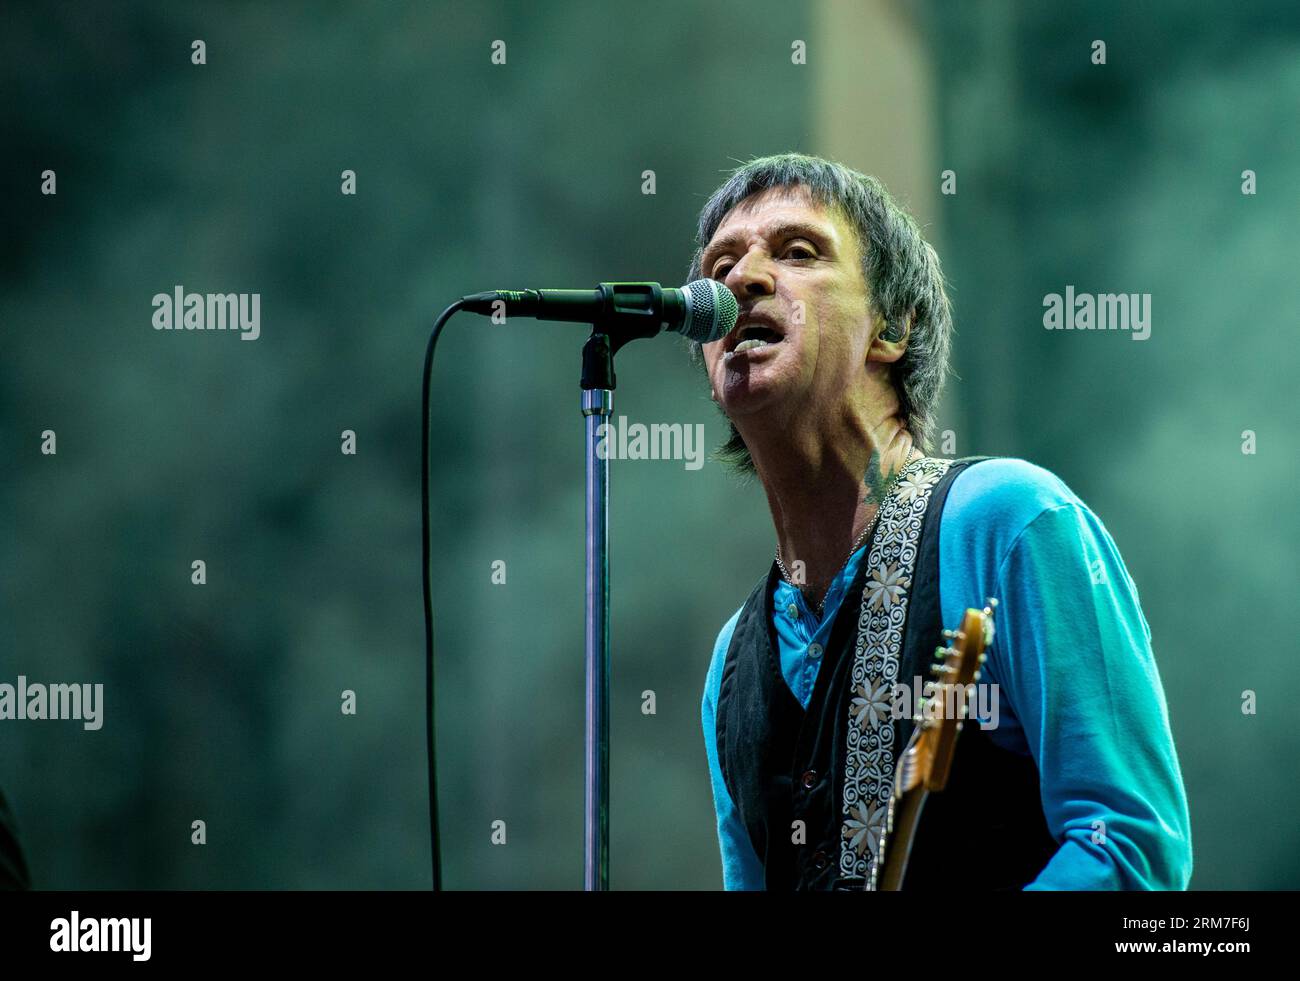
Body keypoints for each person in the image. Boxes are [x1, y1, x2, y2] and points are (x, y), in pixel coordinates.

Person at [689, 153, 1192, 890]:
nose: (740, 279)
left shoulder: (1010, 522)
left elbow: (1131, 849)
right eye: (720, 264)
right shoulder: (733, 665)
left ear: (892, 326)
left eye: (798, 251)